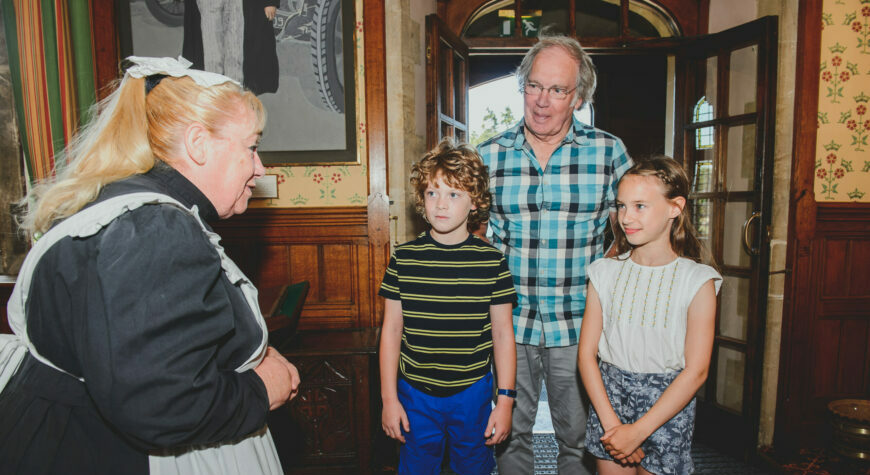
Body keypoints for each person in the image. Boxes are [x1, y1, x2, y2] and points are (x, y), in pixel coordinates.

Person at [0, 56, 300, 474]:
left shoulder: (119, 205)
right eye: (251, 146)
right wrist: (260, 389)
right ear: (198, 144)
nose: (259, 167)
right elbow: (161, 401)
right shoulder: (155, 228)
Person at [477, 34, 633, 475]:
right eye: (534, 86)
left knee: (580, 438)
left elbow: (634, 229)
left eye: (558, 90)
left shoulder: (609, 152)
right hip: (510, 324)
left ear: (579, 97)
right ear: (523, 86)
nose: (542, 101)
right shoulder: (488, 155)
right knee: (509, 434)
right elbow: (472, 237)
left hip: (579, 325)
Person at [378, 139, 518, 475]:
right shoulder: (403, 258)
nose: (441, 204)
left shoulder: (492, 261)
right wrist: (388, 399)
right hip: (415, 392)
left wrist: (506, 400)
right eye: (432, 193)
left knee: (474, 468)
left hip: (472, 391)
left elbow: (502, 334)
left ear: (475, 203)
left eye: (453, 194)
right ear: (421, 199)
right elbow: (391, 331)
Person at [577, 156, 721, 475]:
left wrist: (639, 431)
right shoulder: (604, 273)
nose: (627, 217)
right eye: (622, 206)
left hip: (668, 406)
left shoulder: (698, 280)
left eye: (640, 205)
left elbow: (696, 371)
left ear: (675, 207)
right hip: (609, 398)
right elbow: (587, 356)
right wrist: (612, 425)